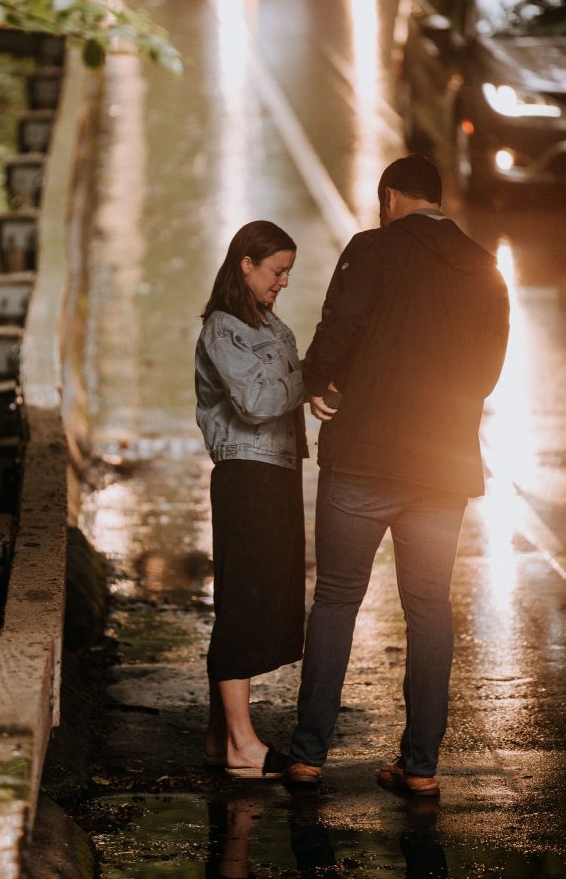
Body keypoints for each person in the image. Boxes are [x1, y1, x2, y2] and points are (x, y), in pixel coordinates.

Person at [284, 154, 509, 794]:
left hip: (363, 456)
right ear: (440, 201)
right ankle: (421, 769)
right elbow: (488, 373)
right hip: (442, 464)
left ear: (390, 198)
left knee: (336, 598)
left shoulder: (371, 249)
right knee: (429, 607)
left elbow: (341, 329)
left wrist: (316, 383)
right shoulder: (484, 266)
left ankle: (307, 756)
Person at [195, 220, 308, 780]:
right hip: (247, 476)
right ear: (246, 263)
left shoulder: (268, 323)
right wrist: (309, 379)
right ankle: (243, 744)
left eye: (288, 271)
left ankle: (221, 737)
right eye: (276, 270)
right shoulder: (224, 328)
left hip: (275, 473)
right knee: (243, 603)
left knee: (259, 598)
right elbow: (259, 400)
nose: (283, 281)